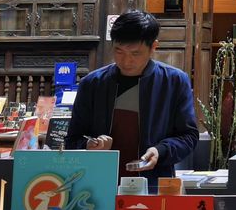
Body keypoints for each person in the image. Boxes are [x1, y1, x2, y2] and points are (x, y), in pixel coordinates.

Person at [65, 10, 200, 181]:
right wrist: (89, 145)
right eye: (119, 51)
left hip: (152, 182)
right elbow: (72, 139)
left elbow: (188, 136)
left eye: (135, 53)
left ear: (153, 47)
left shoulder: (174, 82)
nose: (126, 61)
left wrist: (160, 150)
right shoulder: (92, 84)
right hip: (99, 183)